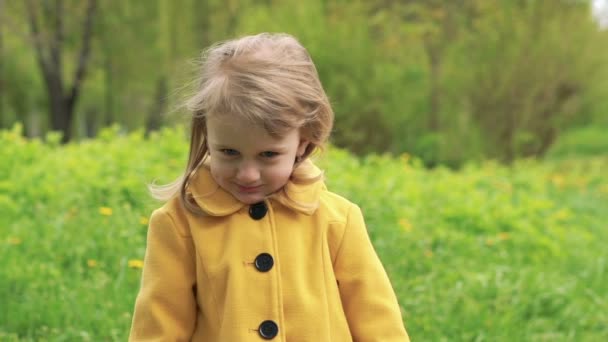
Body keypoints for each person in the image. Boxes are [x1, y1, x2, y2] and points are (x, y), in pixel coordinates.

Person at [129, 32, 410, 341]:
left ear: (302, 143)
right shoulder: (179, 223)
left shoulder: (337, 220)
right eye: (229, 152)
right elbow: (159, 327)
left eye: (269, 155)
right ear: (207, 136)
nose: (248, 174)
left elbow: (378, 324)